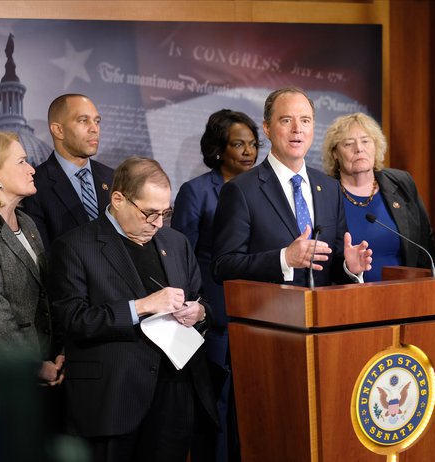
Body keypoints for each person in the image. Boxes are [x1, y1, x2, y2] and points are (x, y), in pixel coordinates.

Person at [48, 157, 218, 462]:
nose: (157, 223)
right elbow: (73, 320)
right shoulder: (75, 246)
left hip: (174, 395)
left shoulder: (175, 242)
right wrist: (141, 307)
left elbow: (201, 299)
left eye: (165, 213)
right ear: (118, 199)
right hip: (114, 398)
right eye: (149, 213)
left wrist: (199, 312)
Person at [212, 87, 372, 287]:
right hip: (270, 314)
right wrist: (284, 259)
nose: (297, 128)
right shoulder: (241, 190)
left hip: (324, 314)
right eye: (286, 120)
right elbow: (223, 266)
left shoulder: (330, 188)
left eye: (305, 120)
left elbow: (332, 265)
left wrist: (349, 267)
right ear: (267, 128)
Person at [171, 109, 260, 461]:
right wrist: (196, 307)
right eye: (238, 144)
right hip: (212, 315)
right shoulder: (196, 192)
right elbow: (181, 255)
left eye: (253, 144)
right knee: (217, 406)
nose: (248, 152)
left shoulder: (261, 191)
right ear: (218, 149)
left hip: (256, 310)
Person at [0, 131, 63, 383]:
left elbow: (46, 295)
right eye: (21, 162)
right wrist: (34, 367)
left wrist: (58, 352)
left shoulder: (26, 222)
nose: (32, 169)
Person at [322, 112, 435, 281]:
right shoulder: (325, 195)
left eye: (366, 141)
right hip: (349, 300)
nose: (359, 148)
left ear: (376, 147)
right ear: (335, 154)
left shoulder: (401, 183)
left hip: (406, 297)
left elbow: (425, 247)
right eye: (348, 144)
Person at [22, 93, 114, 251]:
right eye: (83, 120)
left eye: (97, 121)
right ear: (58, 130)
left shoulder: (114, 178)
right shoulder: (34, 186)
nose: (94, 129)